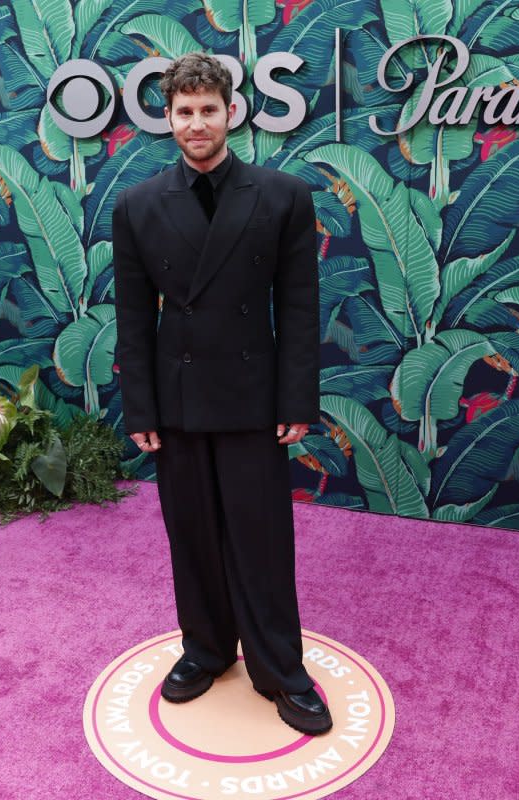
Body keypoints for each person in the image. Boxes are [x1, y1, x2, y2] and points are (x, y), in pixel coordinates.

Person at [112, 52, 331, 735]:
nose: (196, 123)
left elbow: (298, 307)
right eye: (184, 112)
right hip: (176, 400)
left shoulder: (283, 195)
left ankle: (280, 671)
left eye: (209, 110)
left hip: (253, 397)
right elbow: (132, 316)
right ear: (168, 119)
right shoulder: (137, 205)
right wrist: (141, 408)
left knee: (262, 538)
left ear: (231, 113)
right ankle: (205, 650)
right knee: (193, 535)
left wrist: (296, 401)